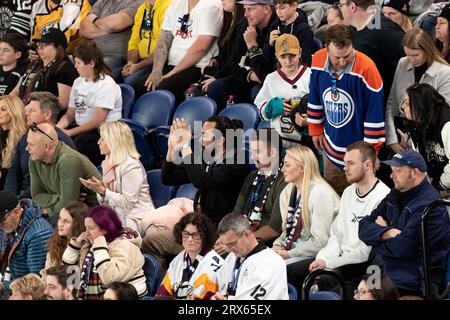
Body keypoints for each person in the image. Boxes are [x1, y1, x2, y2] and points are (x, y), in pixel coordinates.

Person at [142, 116, 248, 267]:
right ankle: (165, 286)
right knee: (150, 242)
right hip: (198, 229)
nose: (199, 138)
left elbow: (202, 180)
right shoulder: (207, 157)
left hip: (219, 235)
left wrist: (186, 147)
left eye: (205, 134)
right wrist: (172, 149)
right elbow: (169, 178)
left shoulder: (236, 161)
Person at [286, 141, 390, 295]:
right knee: (289, 272)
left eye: (350, 163)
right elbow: (336, 235)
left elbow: (365, 250)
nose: (345, 168)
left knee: (324, 280)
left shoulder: (383, 197)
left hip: (361, 264)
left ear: (367, 165)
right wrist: (322, 258)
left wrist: (329, 263)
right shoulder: (348, 192)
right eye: (344, 163)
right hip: (338, 258)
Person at [307, 24, 385, 196]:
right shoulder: (318, 60)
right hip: (331, 147)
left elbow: (375, 115)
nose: (342, 62)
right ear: (326, 47)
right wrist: (315, 128)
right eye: (337, 58)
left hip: (359, 154)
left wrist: (371, 153)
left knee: (361, 200)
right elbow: (315, 96)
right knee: (333, 200)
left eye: (347, 56)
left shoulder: (367, 68)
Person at [359, 150, 450, 296]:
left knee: (369, 295)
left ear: (415, 173)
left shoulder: (431, 206)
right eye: (392, 170)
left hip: (413, 281)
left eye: (398, 171)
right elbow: (362, 228)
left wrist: (377, 237)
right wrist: (388, 232)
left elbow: (403, 248)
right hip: (380, 269)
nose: (391, 175)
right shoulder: (395, 194)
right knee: (359, 292)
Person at [79, 121, 155, 236]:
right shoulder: (108, 163)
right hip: (117, 216)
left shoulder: (131, 166)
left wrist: (104, 191)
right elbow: (104, 202)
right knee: (83, 221)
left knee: (95, 229)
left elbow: (127, 203)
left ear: (113, 141)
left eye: (103, 139)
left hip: (135, 219)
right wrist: (100, 191)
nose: (98, 142)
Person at [142, 0, 223, 105]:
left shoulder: (212, 5)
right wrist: (156, 71)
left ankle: (169, 121)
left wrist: (173, 72)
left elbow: (201, 47)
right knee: (140, 86)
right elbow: (163, 41)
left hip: (197, 67)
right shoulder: (176, 3)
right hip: (171, 65)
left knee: (163, 88)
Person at [56, 41, 122, 166]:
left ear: (91, 63)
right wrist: (57, 128)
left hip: (103, 133)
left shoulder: (106, 84)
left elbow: (98, 121)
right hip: (82, 130)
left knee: (74, 146)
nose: (75, 66)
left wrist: (70, 132)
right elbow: (70, 114)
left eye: (78, 63)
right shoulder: (78, 82)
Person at [386, 27, 450, 154]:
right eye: (407, 54)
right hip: (400, 135)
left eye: (415, 55)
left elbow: (442, 116)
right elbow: (392, 103)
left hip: (429, 143)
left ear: (427, 50)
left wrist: (411, 138)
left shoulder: (445, 73)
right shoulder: (403, 63)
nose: (411, 59)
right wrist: (392, 140)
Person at [272, 146, 339, 264]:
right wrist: (277, 244)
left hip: (317, 256)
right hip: (293, 252)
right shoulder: (287, 192)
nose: (282, 169)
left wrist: (289, 254)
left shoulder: (321, 194)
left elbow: (321, 242)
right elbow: (288, 231)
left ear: (302, 168)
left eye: (287, 165)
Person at [62, 205, 148, 299]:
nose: (86, 233)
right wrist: (76, 244)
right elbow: (68, 270)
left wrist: (99, 245)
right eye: (85, 228)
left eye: (91, 228)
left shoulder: (126, 246)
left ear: (106, 229)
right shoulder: (90, 246)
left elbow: (109, 278)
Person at [205, 0, 276, 109]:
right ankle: (224, 124)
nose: (245, 14)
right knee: (215, 87)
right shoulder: (246, 25)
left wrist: (252, 46)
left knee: (257, 92)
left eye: (251, 9)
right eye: (245, 8)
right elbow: (234, 63)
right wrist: (253, 76)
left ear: (266, 9)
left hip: (271, 82)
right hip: (254, 77)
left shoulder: (278, 30)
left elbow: (270, 74)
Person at [5, 91, 76, 198]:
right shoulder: (25, 137)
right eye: (27, 110)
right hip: (21, 196)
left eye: (33, 110)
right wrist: (9, 198)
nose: (27, 113)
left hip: (44, 199)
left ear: (47, 114)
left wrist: (20, 201)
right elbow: (14, 171)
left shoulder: (61, 141)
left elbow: (45, 182)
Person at [27, 123, 101, 224]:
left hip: (91, 213)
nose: (27, 148)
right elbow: (36, 196)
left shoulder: (68, 161)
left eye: (31, 144)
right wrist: (58, 197)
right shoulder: (34, 159)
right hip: (65, 211)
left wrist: (45, 211)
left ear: (46, 146)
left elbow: (67, 205)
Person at [211, 213, 289, 300]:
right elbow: (219, 288)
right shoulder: (232, 257)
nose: (228, 250)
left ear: (247, 234)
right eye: (225, 245)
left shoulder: (271, 263)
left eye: (232, 244)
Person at [340, 0, 405, 101]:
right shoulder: (352, 30)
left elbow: (408, 69)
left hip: (381, 106)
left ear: (352, 6)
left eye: (341, 5)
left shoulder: (386, 31)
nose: (340, 9)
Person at [255, 33, 311, 149]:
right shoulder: (271, 79)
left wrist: (309, 119)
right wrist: (271, 106)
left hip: (308, 142)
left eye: (292, 55)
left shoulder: (311, 75)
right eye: (283, 57)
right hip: (281, 143)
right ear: (276, 56)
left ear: (300, 52)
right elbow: (260, 110)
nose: (288, 61)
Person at [232, 128, 286, 243]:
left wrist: (241, 242)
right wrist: (227, 237)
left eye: (257, 152)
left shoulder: (285, 180)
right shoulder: (252, 176)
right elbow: (237, 212)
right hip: (242, 238)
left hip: (264, 245)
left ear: (272, 152)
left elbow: (275, 228)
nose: (252, 157)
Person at [156, 212, 223, 299]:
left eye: (195, 235)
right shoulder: (178, 259)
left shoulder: (214, 267)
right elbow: (163, 294)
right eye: (186, 234)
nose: (190, 239)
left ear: (204, 236)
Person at [0, 190, 53, 299]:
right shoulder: (10, 224)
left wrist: (2, 285)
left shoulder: (38, 234)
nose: (0, 226)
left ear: (16, 212)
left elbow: (35, 282)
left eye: (2, 221)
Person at [400, 83, 450, 193]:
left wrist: (440, 186)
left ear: (421, 105)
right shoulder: (416, 124)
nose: (402, 107)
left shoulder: (447, 123)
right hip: (436, 185)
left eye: (407, 103)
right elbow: (420, 161)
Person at [12, 28, 78, 109]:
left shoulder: (65, 68)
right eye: (38, 45)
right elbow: (15, 91)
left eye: (44, 44)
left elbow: (63, 102)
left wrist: (33, 108)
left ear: (58, 47)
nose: (39, 48)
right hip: (24, 113)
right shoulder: (34, 64)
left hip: (48, 118)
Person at [114, 0, 172, 86]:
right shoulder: (142, 9)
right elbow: (134, 41)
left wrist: (137, 67)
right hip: (140, 61)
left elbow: (163, 46)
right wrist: (131, 63)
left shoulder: (167, 7)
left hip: (157, 62)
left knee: (130, 81)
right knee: (112, 76)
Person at [199, 0, 245, 95]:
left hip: (235, 74)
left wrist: (216, 77)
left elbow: (234, 59)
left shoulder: (243, 24)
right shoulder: (228, 19)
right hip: (224, 71)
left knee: (212, 88)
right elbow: (225, 53)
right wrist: (215, 60)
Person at [79, 0, 142, 69]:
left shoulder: (136, 2)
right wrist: (108, 28)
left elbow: (117, 23)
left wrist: (94, 21)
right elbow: (83, 30)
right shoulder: (102, 2)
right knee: (70, 64)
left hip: (115, 56)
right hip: (92, 52)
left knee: (89, 67)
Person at [264, 0, 313, 67]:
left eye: (282, 8)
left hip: (295, 71)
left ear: (294, 6)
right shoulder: (275, 25)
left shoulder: (304, 29)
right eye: (276, 8)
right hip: (277, 70)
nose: (278, 12)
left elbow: (305, 60)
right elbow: (266, 57)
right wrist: (270, 45)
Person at [43, 202, 87, 273]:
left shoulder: (85, 247)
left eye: (66, 221)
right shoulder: (56, 242)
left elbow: (72, 276)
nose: (60, 224)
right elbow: (47, 272)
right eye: (60, 218)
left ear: (77, 225)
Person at [0, 95, 27, 190]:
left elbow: (19, 174)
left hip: (12, 190)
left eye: (3, 109)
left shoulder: (24, 138)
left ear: (14, 112)